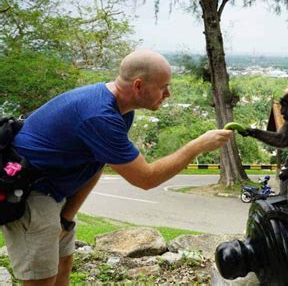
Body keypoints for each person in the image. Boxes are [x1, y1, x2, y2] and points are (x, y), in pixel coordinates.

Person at [1, 49, 233, 285]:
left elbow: (96, 164)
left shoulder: (122, 111)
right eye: (163, 86)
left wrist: (67, 218)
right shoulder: (100, 116)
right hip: (32, 194)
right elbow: (146, 179)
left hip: (57, 193)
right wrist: (197, 146)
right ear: (139, 85)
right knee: (41, 280)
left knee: (63, 266)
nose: (168, 93)